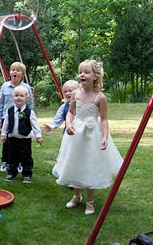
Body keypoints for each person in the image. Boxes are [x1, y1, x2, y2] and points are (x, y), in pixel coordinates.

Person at [52, 59, 123, 215]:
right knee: (75, 162)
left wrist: (105, 136)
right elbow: (70, 112)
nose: (82, 75)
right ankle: (76, 196)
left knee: (90, 164)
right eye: (80, 72)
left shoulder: (100, 98)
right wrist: (69, 124)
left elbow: (104, 119)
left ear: (95, 76)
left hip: (92, 135)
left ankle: (90, 201)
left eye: (86, 72)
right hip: (76, 133)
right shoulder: (76, 94)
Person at [0, 62, 34, 172]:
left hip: (21, 118)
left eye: (18, 70)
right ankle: (5, 162)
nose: (15, 72)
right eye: (13, 70)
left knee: (21, 142)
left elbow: (30, 104)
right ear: (10, 72)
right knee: (7, 141)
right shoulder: (5, 86)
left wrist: (30, 119)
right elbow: (0, 103)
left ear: (22, 74)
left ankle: (20, 163)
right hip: (6, 118)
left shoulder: (26, 88)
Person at [1, 85, 43, 183]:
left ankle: (27, 174)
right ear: (13, 97)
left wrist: (38, 136)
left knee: (26, 157)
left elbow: (35, 124)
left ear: (26, 98)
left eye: (21, 96)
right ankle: (12, 172)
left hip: (25, 139)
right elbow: (6, 123)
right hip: (12, 138)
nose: (19, 97)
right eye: (16, 95)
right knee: (12, 157)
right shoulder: (10, 110)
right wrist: (3, 134)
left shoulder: (29, 112)